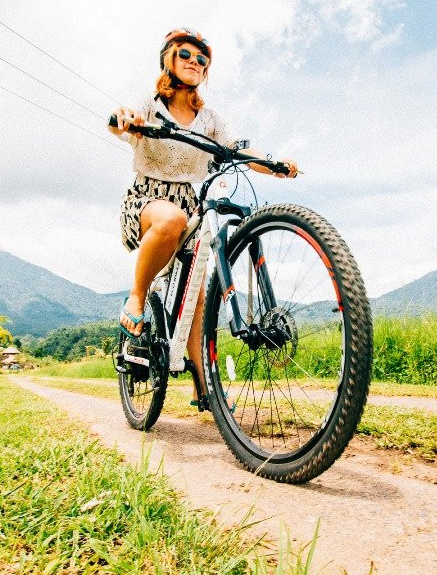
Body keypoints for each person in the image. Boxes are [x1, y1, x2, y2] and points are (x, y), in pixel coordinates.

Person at [108, 27, 298, 406]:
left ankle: (202, 386)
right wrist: (124, 117)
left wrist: (273, 165)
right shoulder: (150, 104)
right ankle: (136, 296)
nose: (194, 63)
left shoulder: (208, 118)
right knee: (172, 220)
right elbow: (119, 120)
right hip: (148, 198)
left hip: (190, 203)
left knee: (195, 298)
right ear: (168, 59)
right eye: (185, 55)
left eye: (202, 60)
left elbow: (234, 149)